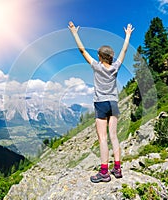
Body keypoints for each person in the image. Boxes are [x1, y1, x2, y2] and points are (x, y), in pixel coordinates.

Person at [68, 21, 134, 183]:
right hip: (114, 103)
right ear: (111, 57)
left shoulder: (96, 66)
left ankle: (104, 172)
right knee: (114, 136)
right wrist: (128, 35)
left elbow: (82, 50)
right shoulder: (116, 67)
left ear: (99, 56)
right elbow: (124, 50)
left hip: (101, 104)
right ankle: (117, 169)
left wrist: (74, 33)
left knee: (102, 138)